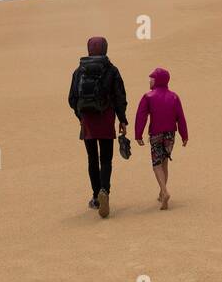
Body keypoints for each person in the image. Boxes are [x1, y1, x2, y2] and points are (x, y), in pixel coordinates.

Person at [67, 36, 128, 218]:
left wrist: (81, 116)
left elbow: (72, 98)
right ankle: (105, 191)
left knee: (92, 158)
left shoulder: (79, 70)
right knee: (106, 159)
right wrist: (122, 119)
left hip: (87, 122)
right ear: (105, 48)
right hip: (106, 119)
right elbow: (119, 97)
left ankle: (95, 197)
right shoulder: (111, 69)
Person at [134, 67, 188, 210]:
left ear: (157, 81)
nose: (150, 81)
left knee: (156, 164)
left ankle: (164, 191)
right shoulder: (174, 96)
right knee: (164, 161)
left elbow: (141, 116)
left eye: (152, 79)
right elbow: (180, 117)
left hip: (156, 134)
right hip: (170, 134)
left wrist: (138, 134)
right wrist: (184, 135)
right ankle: (161, 191)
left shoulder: (148, 96)